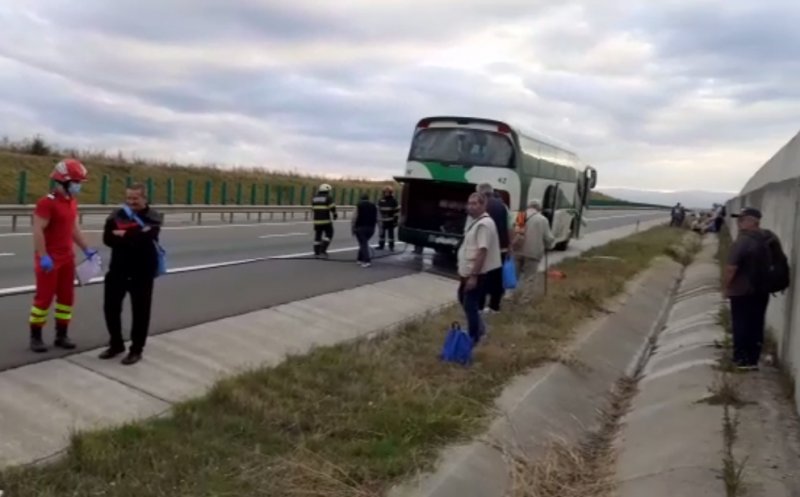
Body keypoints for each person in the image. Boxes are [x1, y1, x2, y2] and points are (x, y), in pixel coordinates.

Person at [29, 159, 97, 353]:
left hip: (67, 258)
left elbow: (73, 229)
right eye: (76, 182)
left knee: (67, 299)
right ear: (63, 181)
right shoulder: (46, 203)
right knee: (43, 299)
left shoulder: (71, 201)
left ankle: (61, 335)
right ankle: (36, 337)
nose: (78, 186)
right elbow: (38, 231)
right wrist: (43, 256)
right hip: (50, 260)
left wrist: (87, 249)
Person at [98, 183, 164, 365]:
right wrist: (131, 235)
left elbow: (145, 238)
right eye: (129, 198)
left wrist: (123, 234)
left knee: (140, 312)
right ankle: (116, 344)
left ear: (144, 198)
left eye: (135, 198)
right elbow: (107, 238)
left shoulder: (154, 216)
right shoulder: (116, 214)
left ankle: (136, 349)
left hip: (142, 272)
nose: (131, 201)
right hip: (118, 270)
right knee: (110, 308)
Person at [724, 207, 773, 371]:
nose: (739, 223)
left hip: (742, 291)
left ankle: (741, 359)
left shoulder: (743, 241)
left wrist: (726, 287)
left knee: (741, 324)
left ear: (752, 222)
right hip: (762, 290)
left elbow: (731, 268)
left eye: (742, 219)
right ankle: (753, 359)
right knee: (756, 324)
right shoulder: (768, 238)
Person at [457, 192, 502, 344]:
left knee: (470, 304)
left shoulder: (484, 224)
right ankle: (480, 329)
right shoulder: (476, 221)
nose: (470, 206)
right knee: (463, 298)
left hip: (476, 272)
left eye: (475, 203)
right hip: (468, 271)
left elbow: (482, 251)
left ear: (484, 205)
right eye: (469, 203)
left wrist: (474, 276)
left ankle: (474, 337)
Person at [476, 183, 510, 313]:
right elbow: (509, 226)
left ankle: (479, 306)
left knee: (482, 277)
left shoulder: (481, 205)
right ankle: (494, 306)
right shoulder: (503, 206)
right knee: (497, 278)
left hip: (485, 246)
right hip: (501, 248)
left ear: (480, 192)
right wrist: (509, 245)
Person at [513, 199, 555, 279]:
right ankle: (526, 287)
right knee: (529, 278)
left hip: (518, 251)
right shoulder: (542, 220)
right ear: (539, 208)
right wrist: (550, 245)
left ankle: (515, 287)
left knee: (515, 277)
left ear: (528, 207)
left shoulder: (521, 216)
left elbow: (517, 232)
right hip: (533, 253)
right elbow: (548, 238)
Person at [352, 193, 378, 267]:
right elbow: (378, 218)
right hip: (371, 228)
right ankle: (359, 259)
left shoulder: (359, 205)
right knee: (363, 243)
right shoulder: (374, 206)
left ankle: (367, 260)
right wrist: (380, 228)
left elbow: (354, 218)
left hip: (360, 228)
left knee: (363, 244)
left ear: (361, 199)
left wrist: (353, 228)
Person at [311, 183, 337, 258]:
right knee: (329, 234)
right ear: (327, 190)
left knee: (317, 236)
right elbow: (332, 207)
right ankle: (322, 250)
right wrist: (335, 214)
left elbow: (313, 208)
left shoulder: (314, 198)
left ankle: (316, 252)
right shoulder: (328, 197)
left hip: (316, 221)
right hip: (326, 220)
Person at [377, 186, 400, 251]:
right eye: (385, 192)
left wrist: (395, 221)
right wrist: (378, 220)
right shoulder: (381, 200)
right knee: (381, 234)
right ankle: (381, 245)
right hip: (382, 221)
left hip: (390, 221)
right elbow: (378, 211)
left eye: (388, 192)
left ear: (390, 192)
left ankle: (391, 246)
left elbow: (396, 212)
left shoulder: (394, 201)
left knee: (391, 235)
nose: (386, 193)